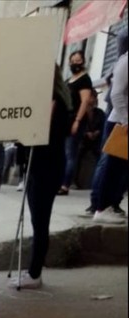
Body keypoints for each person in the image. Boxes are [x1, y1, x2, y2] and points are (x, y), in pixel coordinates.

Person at [12, 64, 74, 290]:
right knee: (37, 219)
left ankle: (35, 272)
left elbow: (42, 134)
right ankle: (33, 270)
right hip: (40, 165)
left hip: (46, 166)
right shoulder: (50, 99)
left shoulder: (55, 101)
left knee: (40, 221)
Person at [86, 31, 128, 223]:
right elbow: (116, 94)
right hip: (120, 123)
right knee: (112, 168)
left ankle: (110, 205)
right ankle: (101, 208)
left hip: (123, 122)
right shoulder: (125, 62)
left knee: (120, 170)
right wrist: (126, 120)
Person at [59, 50, 96, 195]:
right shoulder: (69, 80)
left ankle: (65, 185)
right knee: (62, 152)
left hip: (76, 119)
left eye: (78, 61)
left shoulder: (84, 80)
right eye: (72, 61)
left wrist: (77, 120)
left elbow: (84, 101)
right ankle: (59, 181)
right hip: (65, 119)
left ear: (83, 62)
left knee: (70, 152)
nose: (75, 64)